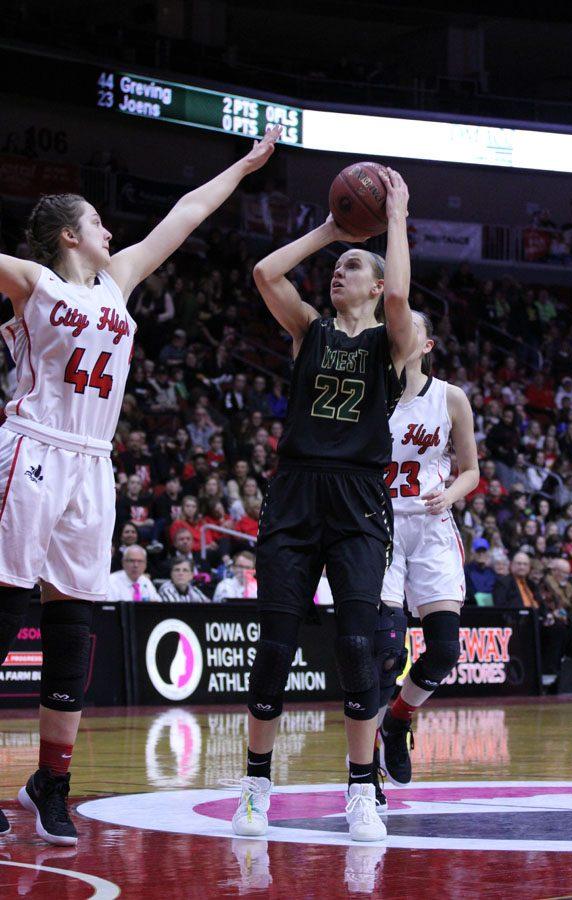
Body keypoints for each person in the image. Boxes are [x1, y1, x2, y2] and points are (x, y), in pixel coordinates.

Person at [0, 125, 281, 843]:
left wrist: (244, 167)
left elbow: (185, 214)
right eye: (95, 219)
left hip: (95, 462)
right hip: (33, 448)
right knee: (4, 612)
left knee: (74, 625)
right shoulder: (35, 281)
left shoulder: (119, 279)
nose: (108, 226)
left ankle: (50, 782)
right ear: (67, 235)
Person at [231, 168, 416, 843]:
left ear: (374, 284)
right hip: (296, 490)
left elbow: (400, 291)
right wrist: (333, 231)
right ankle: (255, 785)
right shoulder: (308, 329)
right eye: (337, 267)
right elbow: (264, 272)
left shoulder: (389, 340)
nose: (342, 272)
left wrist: (393, 219)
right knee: (274, 647)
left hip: (359, 499)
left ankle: (363, 789)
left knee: (358, 645)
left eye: (354, 266)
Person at [376, 312, 479, 788]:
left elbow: (471, 471)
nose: (398, 326)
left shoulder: (450, 397)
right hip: (380, 528)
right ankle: (363, 770)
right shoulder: (371, 392)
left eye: (409, 323)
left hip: (433, 525)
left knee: (443, 650)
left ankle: (397, 722)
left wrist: (451, 494)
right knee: (384, 651)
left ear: (428, 343)